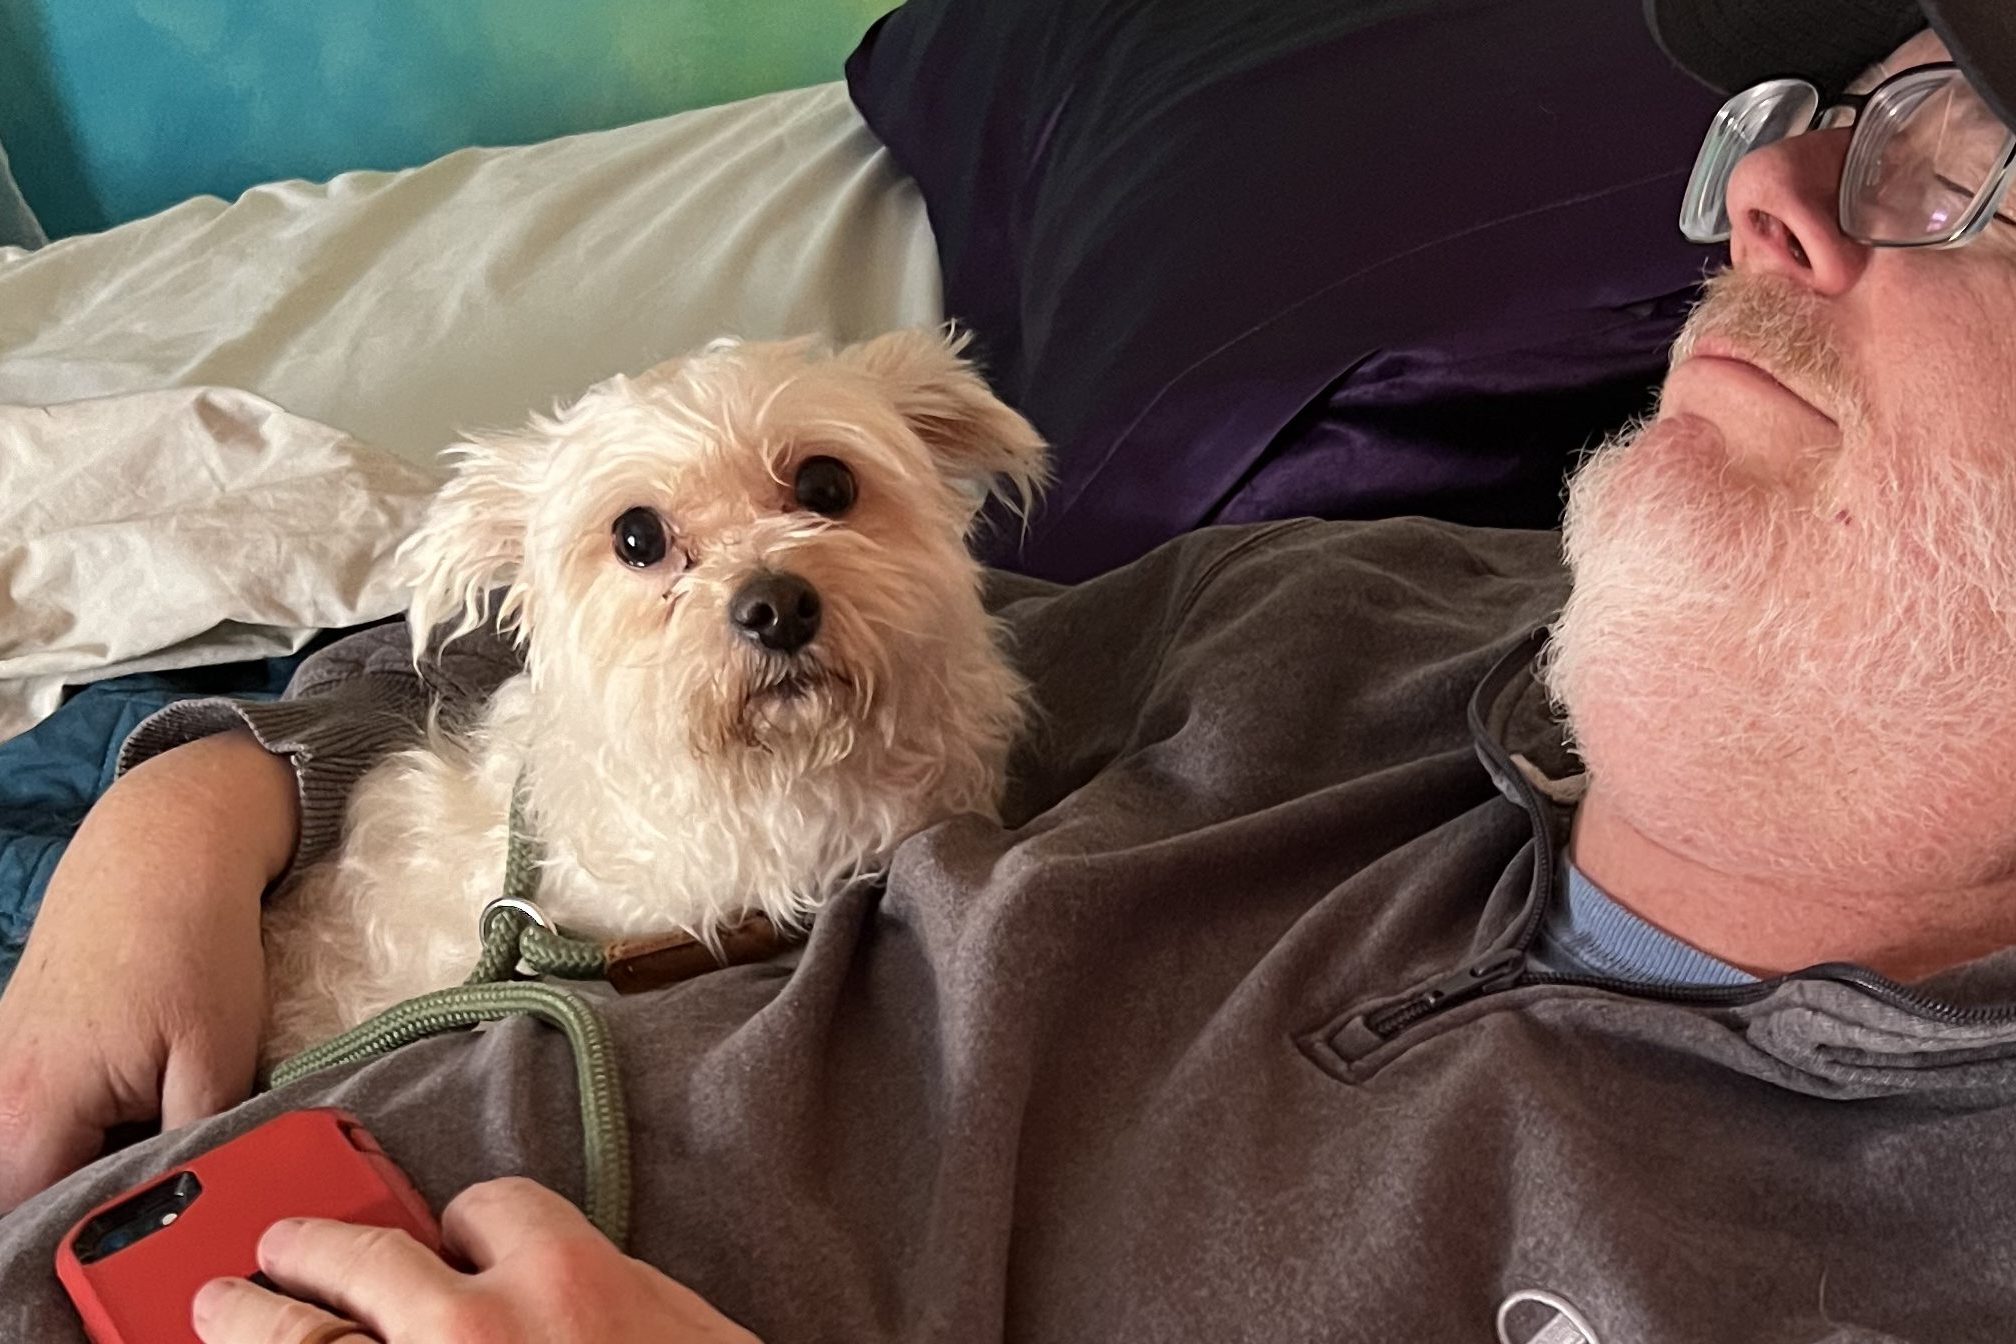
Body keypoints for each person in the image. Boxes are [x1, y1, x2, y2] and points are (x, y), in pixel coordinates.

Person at [5, 0, 2016, 1339]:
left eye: (1960, 161)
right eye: (1831, 116)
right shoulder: (1341, 612)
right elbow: (494, 673)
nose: (1771, 192)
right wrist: (201, 792)